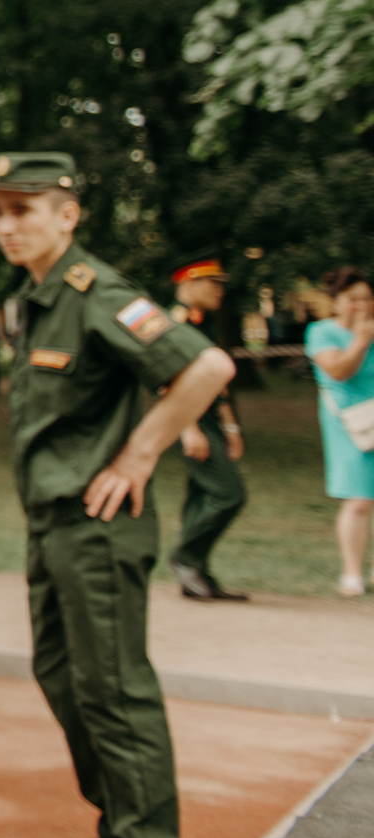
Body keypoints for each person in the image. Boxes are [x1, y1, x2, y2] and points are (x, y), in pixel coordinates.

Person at [0, 153, 236, 838]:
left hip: (97, 528)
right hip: (52, 524)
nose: (5, 226)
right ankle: (120, 834)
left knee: (115, 692)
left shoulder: (101, 295)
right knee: (63, 678)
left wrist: (140, 452)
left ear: (68, 213)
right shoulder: (39, 298)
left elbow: (208, 367)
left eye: (21, 209)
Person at [165, 252, 249, 601]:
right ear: (188, 283)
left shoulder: (203, 323)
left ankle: (196, 576)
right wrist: (189, 429)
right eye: (212, 284)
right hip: (189, 418)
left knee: (201, 497)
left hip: (211, 418)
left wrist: (231, 428)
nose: (219, 291)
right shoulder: (173, 323)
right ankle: (185, 558)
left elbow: (219, 381)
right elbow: (166, 381)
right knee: (229, 494)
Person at [305, 267, 374, 598]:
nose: (361, 306)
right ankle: (351, 574)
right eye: (352, 299)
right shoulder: (322, 333)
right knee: (359, 499)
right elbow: (338, 371)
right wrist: (361, 341)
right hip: (347, 422)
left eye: (367, 298)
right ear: (335, 301)